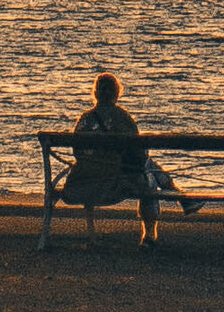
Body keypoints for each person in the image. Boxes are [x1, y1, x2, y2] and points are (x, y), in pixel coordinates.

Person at [61, 70, 165, 243]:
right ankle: (149, 234)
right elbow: (138, 154)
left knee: (147, 166)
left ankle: (173, 191)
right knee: (148, 174)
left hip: (82, 183)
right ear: (117, 94)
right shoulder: (122, 118)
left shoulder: (85, 119)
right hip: (114, 184)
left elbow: (77, 152)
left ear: (95, 94)